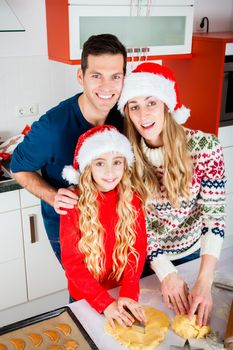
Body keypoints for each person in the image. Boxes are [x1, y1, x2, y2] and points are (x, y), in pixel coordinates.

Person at [117, 62, 226, 327]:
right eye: (134, 106)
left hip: (192, 254)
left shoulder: (204, 147)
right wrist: (165, 272)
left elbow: (215, 217)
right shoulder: (124, 157)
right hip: (147, 261)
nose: (143, 115)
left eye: (151, 102)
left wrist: (204, 280)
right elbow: (137, 225)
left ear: (167, 104)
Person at [10, 34, 127, 262]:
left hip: (114, 223)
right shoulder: (52, 127)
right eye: (96, 76)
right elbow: (18, 167)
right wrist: (52, 197)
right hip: (70, 230)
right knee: (85, 292)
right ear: (80, 76)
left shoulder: (123, 116)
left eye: (115, 77)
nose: (107, 87)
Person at [60, 125, 147, 327]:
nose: (110, 172)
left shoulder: (132, 199)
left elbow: (138, 249)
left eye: (117, 162)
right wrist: (104, 303)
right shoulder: (73, 203)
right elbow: (72, 264)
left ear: (126, 164)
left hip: (121, 292)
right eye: (100, 163)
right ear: (88, 166)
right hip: (85, 297)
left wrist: (129, 292)